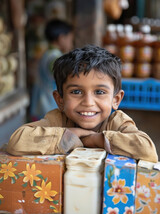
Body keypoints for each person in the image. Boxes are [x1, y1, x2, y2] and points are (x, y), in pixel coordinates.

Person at [7, 45, 158, 162]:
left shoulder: (116, 122)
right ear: (60, 100)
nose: (88, 102)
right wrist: (70, 136)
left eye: (99, 92)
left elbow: (147, 149)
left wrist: (97, 139)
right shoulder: (57, 119)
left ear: (116, 99)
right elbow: (17, 141)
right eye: (76, 92)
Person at [30, 19, 73, 120]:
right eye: (70, 39)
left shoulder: (46, 54)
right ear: (61, 38)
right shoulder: (55, 58)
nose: (71, 43)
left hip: (40, 105)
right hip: (48, 108)